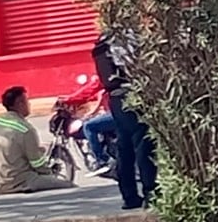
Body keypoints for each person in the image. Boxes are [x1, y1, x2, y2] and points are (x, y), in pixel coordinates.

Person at [93, 29, 157, 210]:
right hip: (131, 96)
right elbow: (135, 67)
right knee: (143, 145)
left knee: (125, 147)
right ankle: (151, 193)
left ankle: (129, 196)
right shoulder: (123, 38)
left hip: (115, 99)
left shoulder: (101, 43)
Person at [0, 86, 74, 194]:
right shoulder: (26, 130)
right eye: (27, 101)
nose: (29, 104)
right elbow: (37, 163)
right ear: (20, 103)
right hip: (19, 181)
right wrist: (49, 174)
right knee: (69, 186)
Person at [58, 74, 115, 176]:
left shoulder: (106, 73)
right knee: (93, 121)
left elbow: (92, 88)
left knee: (89, 127)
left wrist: (68, 99)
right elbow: (92, 94)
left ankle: (102, 161)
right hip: (115, 112)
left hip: (116, 113)